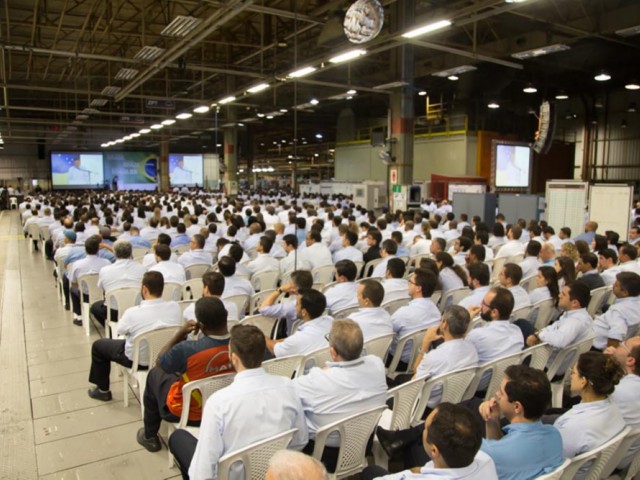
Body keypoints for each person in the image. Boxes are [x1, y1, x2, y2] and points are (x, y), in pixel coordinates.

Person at [168, 324, 308, 480]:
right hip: (275, 471)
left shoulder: (218, 403)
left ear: (233, 357)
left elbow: (201, 472)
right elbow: (301, 439)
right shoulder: (288, 385)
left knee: (178, 438)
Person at [136, 297, 233, 452]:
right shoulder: (242, 345)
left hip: (191, 413)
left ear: (201, 325)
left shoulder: (187, 349)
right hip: (227, 409)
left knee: (155, 374)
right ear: (226, 314)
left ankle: (150, 436)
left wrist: (180, 333)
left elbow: (160, 361)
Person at [293, 319, 387, 471]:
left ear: (333, 352)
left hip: (324, 455)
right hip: (363, 445)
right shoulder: (377, 365)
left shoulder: (316, 379)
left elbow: (288, 394)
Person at [87, 271, 182, 401]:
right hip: (166, 357)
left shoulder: (132, 313)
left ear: (144, 289)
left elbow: (120, 329)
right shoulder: (175, 307)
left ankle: (103, 390)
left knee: (98, 346)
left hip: (139, 361)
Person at [364, 403, 499, 480]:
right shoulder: (487, 460)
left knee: (370, 471)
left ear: (434, 451)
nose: (422, 429)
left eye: (425, 428)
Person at [478, 365, 565, 480]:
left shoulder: (490, 451)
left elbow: (498, 452)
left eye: (501, 392)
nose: (497, 394)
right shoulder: (554, 435)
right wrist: (492, 422)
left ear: (517, 406)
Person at [553, 352, 626, 480]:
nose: (571, 376)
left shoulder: (572, 425)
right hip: (593, 470)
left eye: (573, 372)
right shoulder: (614, 407)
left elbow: (554, 463)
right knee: (550, 414)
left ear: (583, 381)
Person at [466, 287, 523, 392]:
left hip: (476, 390)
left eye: (484, 303)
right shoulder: (517, 332)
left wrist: (467, 320)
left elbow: (457, 355)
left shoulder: (477, 335)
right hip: (503, 387)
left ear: (494, 313)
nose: (480, 305)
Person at [526, 280, 593, 369]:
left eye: (563, 294)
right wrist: (537, 335)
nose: (559, 296)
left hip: (548, 366)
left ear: (574, 303)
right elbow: (554, 326)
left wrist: (540, 335)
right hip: (553, 359)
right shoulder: (580, 315)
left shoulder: (575, 322)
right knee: (523, 325)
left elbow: (560, 340)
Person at [387, 268, 440, 369]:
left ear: (418, 288)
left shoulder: (404, 313)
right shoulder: (436, 312)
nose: (408, 284)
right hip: (422, 360)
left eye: (410, 282)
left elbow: (387, 332)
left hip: (398, 363)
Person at [90, 240, 147, 325]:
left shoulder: (105, 270)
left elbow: (102, 288)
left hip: (113, 312)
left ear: (114, 253)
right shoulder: (142, 269)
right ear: (131, 252)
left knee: (94, 307)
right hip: (137, 309)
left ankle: (111, 329)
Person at [266, 289, 333, 359]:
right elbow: (291, 341)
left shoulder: (298, 339)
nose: (295, 306)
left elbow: (273, 349)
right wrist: (276, 341)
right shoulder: (330, 321)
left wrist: (262, 337)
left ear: (304, 312)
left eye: (297, 304)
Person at [605, 336, 640, 469]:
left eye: (622, 344)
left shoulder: (617, 391)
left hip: (604, 461)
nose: (617, 346)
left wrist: (601, 368)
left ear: (630, 360)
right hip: (627, 457)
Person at [67, 235, 112, 326]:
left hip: (85, 295)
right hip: (103, 295)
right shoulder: (106, 263)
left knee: (72, 289)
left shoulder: (77, 265)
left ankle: (79, 316)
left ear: (85, 249)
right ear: (98, 249)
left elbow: (73, 282)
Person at [592, 272, 640, 350]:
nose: (613, 286)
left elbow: (615, 336)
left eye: (616, 285)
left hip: (594, 346)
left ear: (625, 293)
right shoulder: (636, 303)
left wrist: (608, 358)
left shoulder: (619, 312)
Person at [260, 269, 314, 334]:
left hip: (293, 338)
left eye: (290, 283)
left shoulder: (293, 306)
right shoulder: (318, 299)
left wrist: (280, 290)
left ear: (295, 288)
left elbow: (263, 309)